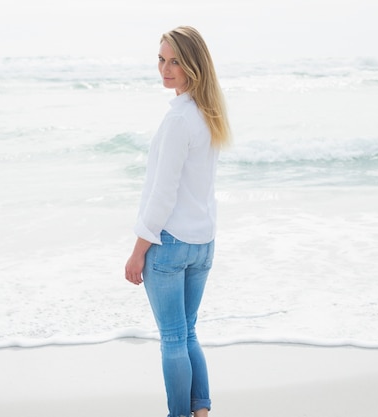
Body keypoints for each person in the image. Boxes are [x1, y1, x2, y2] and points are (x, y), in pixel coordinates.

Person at [124, 26, 231, 417]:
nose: (165, 69)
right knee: (187, 333)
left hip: (169, 245)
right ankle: (199, 411)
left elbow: (162, 195)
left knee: (173, 338)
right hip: (203, 243)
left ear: (193, 66)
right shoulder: (210, 115)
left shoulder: (178, 121)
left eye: (175, 62)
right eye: (161, 59)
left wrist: (138, 251)